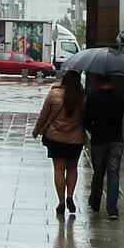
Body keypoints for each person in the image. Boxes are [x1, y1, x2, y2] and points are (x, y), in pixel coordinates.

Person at [32, 70, 88, 216]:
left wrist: (36, 130)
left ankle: (61, 202)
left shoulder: (54, 94)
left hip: (56, 138)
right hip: (75, 139)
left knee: (59, 169)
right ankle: (70, 195)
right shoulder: (82, 98)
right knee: (72, 168)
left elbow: (44, 115)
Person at [82, 72, 124, 218]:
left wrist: (94, 131)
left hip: (99, 140)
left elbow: (86, 120)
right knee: (114, 174)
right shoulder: (120, 96)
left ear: (98, 81)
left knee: (98, 172)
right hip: (116, 140)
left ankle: (95, 201)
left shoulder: (93, 98)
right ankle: (112, 209)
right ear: (111, 81)